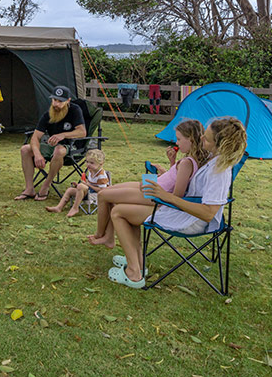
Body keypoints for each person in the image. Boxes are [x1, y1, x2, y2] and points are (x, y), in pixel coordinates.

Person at [105, 117, 246, 289]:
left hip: (193, 220)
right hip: (183, 209)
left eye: (207, 139)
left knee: (118, 212)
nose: (201, 138)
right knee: (123, 209)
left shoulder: (219, 172)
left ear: (220, 145)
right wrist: (171, 168)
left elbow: (208, 213)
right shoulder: (212, 158)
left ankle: (134, 274)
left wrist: (167, 196)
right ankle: (137, 262)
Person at [87, 119, 208, 248]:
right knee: (110, 192)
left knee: (103, 195)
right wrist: (171, 163)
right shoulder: (189, 160)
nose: (176, 142)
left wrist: (160, 190)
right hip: (153, 184)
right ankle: (109, 237)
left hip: (154, 193)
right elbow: (176, 179)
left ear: (191, 139)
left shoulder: (187, 163)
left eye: (179, 139)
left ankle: (100, 234)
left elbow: (177, 195)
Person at [14, 85, 86, 201]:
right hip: (51, 146)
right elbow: (35, 137)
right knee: (25, 149)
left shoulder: (75, 110)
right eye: (54, 100)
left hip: (71, 146)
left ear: (68, 101)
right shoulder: (49, 113)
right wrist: (37, 154)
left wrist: (62, 135)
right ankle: (29, 188)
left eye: (60, 101)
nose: (56, 104)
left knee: (59, 150)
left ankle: (46, 185)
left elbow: (82, 132)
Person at [46, 148, 110, 217]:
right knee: (70, 190)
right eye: (87, 161)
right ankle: (59, 207)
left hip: (96, 195)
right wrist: (80, 185)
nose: (88, 164)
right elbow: (90, 183)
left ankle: (75, 208)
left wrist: (87, 185)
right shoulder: (91, 170)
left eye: (91, 163)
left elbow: (103, 191)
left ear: (100, 164)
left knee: (81, 186)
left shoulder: (101, 176)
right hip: (88, 192)